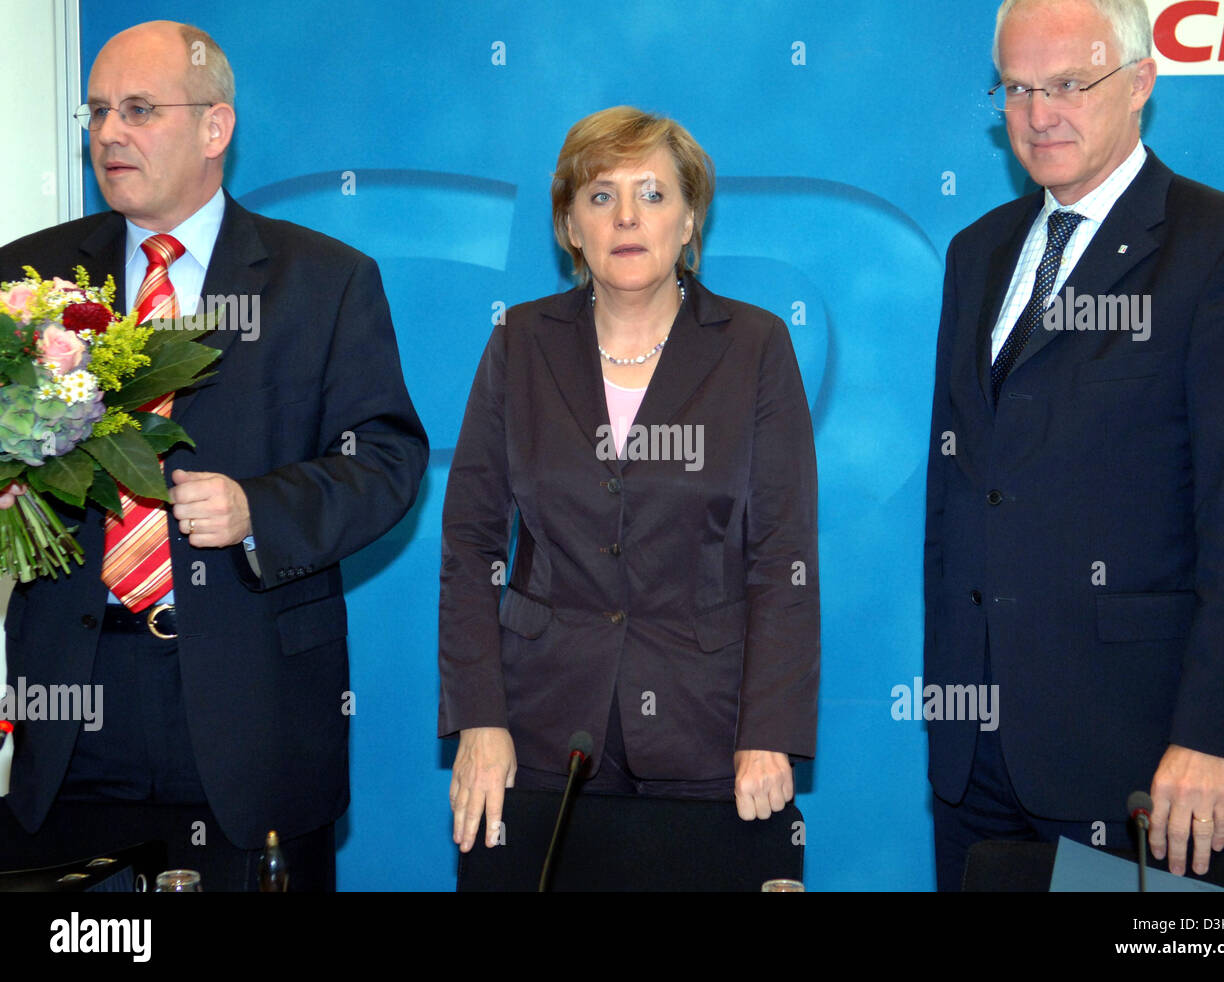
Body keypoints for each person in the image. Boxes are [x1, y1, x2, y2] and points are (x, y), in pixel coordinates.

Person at [0, 21, 428, 889]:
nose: (109, 133)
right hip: (70, 710)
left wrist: (256, 512)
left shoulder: (324, 280)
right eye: (98, 112)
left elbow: (386, 460)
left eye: (139, 110)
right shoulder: (28, 279)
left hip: (251, 711)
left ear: (214, 128)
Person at [924, 0, 1224, 891]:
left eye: (1068, 84)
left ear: (1140, 83)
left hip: (1137, 759)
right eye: (1017, 89)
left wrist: (1214, 733)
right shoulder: (976, 253)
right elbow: (963, 494)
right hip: (973, 757)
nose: (1039, 114)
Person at [439, 106, 819, 853]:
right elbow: (470, 542)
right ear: (569, 227)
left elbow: (783, 556)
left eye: (653, 194)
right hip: (539, 729)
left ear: (689, 222)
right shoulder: (518, 343)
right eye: (599, 195)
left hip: (709, 733)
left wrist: (768, 731)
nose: (626, 217)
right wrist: (480, 719)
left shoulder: (754, 346)